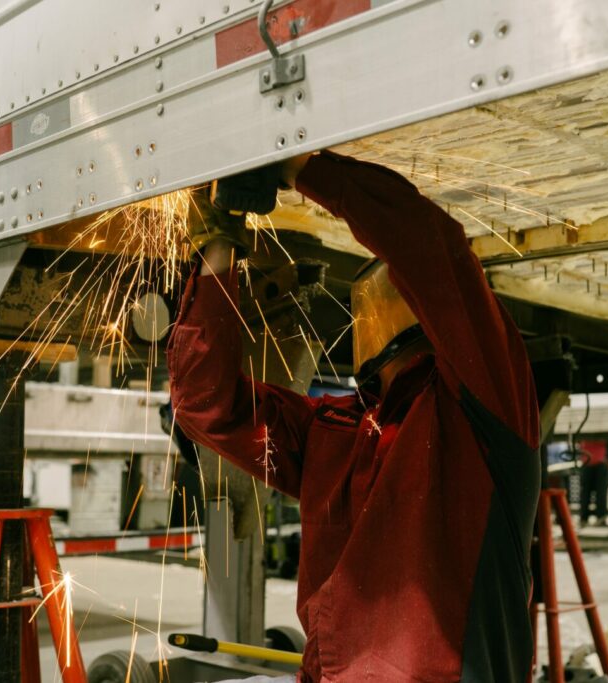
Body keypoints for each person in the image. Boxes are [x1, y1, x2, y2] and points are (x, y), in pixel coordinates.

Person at [168, 151, 540, 681]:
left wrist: (295, 166)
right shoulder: (335, 432)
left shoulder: (479, 411)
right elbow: (206, 403)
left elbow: (429, 248)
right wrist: (216, 250)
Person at [578, 439, 608, 526]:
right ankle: (601, 518)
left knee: (585, 492)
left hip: (587, 461)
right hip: (599, 462)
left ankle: (584, 518)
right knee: (601, 492)